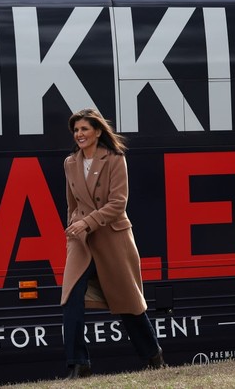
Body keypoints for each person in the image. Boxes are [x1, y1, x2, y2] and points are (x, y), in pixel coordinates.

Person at [60, 108, 165, 379]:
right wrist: (74, 225)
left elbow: (118, 204)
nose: (79, 134)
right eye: (76, 130)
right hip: (82, 241)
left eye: (84, 129)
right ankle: (78, 364)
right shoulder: (70, 162)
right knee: (71, 298)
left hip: (112, 238)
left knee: (127, 302)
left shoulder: (115, 159)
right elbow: (72, 203)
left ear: (97, 131)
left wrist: (87, 222)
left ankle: (153, 355)